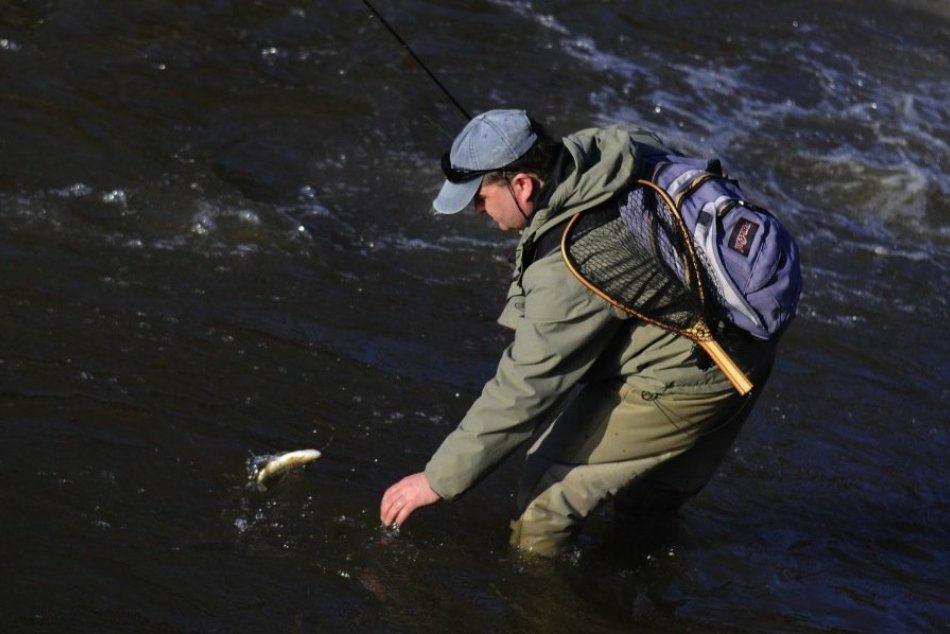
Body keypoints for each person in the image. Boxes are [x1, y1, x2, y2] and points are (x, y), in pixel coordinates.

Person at [379, 109, 780, 556]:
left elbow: (526, 389)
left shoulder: (569, 267)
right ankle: (649, 591)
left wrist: (437, 479)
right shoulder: (611, 147)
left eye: (479, 197)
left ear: (524, 185)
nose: (475, 210)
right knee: (646, 507)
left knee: (543, 501)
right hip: (742, 343)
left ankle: (540, 609)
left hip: (695, 374)